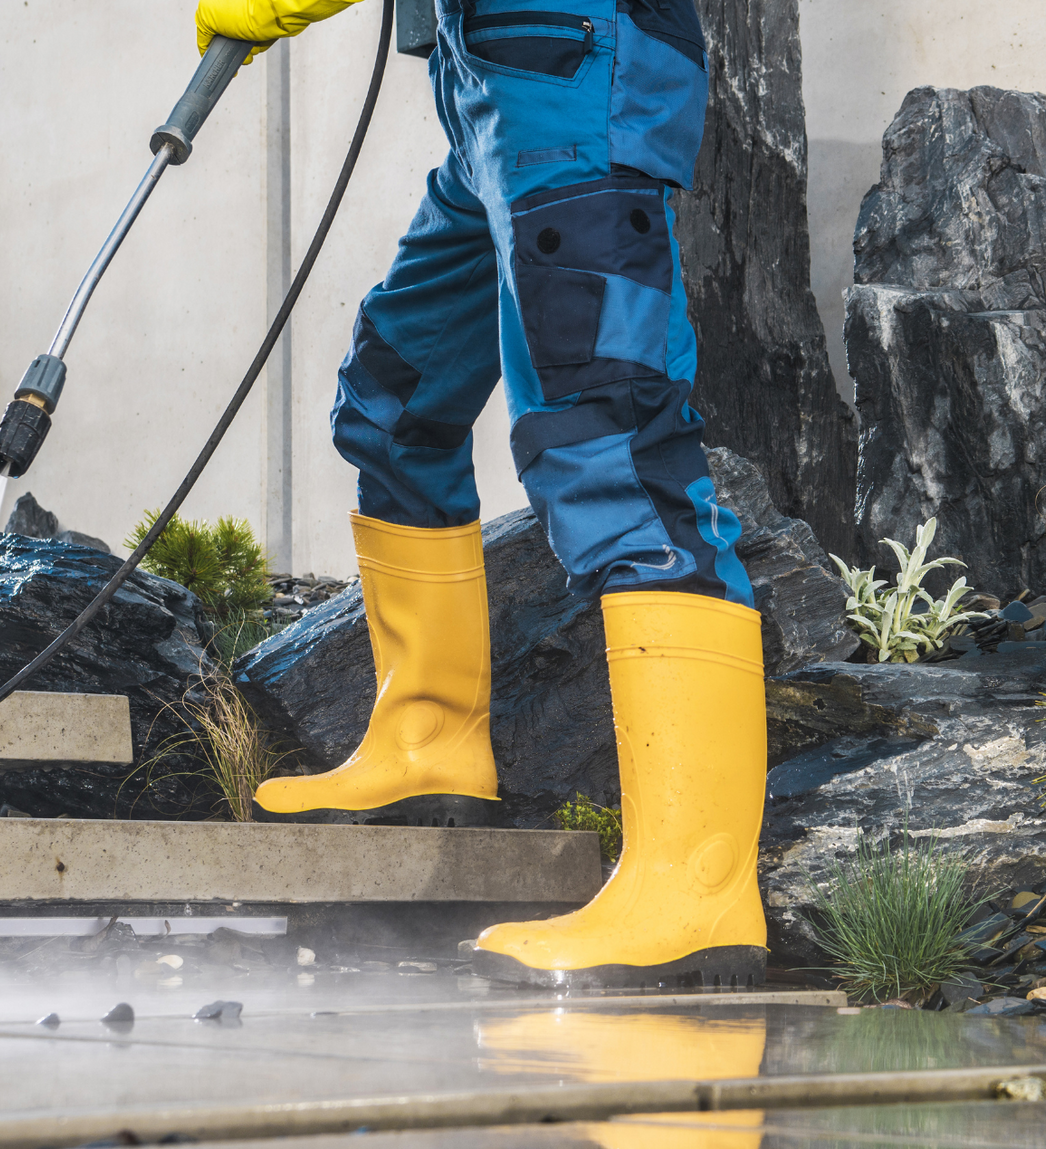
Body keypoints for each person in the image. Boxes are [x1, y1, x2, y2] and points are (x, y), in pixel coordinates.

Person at [194, 0, 766, 990]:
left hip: (576, 78)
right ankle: (426, 741)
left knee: (613, 450)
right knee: (393, 400)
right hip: (488, 95)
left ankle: (694, 889)